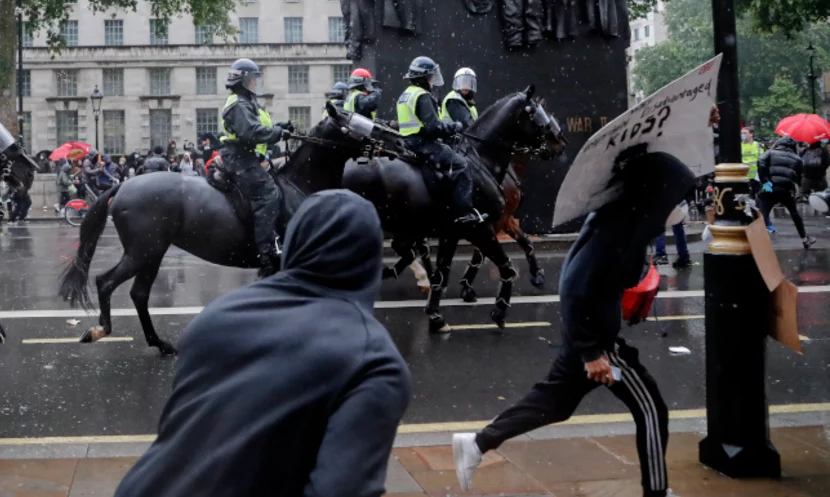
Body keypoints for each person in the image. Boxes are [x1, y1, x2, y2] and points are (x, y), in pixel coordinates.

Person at [114, 190, 411, 497]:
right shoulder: (374, 360)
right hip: (242, 164)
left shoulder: (219, 313)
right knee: (267, 196)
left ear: (296, 242)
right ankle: (263, 241)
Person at [454, 150, 698, 497]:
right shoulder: (619, 225)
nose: (681, 208)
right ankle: (656, 493)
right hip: (598, 343)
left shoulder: (624, 219)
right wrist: (590, 352)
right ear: (658, 193)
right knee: (651, 409)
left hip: (590, 336)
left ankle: (477, 443)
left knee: (555, 404)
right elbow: (573, 286)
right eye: (677, 198)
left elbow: (618, 276)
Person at [219, 58, 292, 274]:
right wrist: (278, 134)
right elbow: (250, 133)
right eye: (251, 79)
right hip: (239, 158)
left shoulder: (246, 101)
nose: (255, 83)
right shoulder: (239, 104)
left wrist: (279, 127)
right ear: (241, 81)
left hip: (245, 156)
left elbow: (258, 127)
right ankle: (266, 252)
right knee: (268, 193)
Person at [395, 56, 483, 224]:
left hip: (407, 143)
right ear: (424, 77)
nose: (433, 80)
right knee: (462, 164)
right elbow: (433, 128)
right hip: (423, 144)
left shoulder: (405, 95)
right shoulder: (422, 95)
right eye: (431, 76)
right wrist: (454, 127)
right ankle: (465, 212)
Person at [759, 136, 814, 248]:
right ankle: (804, 239)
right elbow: (800, 177)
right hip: (785, 189)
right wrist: (799, 189)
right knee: (795, 214)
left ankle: (756, 241)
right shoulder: (797, 159)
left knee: (762, 214)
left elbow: (761, 161)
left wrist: (765, 180)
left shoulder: (770, 153)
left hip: (769, 188)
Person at [741, 128, 771, 230]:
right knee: (748, 201)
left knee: (760, 201)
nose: (742, 135)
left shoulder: (758, 146)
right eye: (741, 133)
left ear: (751, 134)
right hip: (744, 178)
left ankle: (765, 223)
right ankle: (751, 222)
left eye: (745, 133)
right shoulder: (739, 146)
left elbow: (763, 161)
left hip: (757, 178)